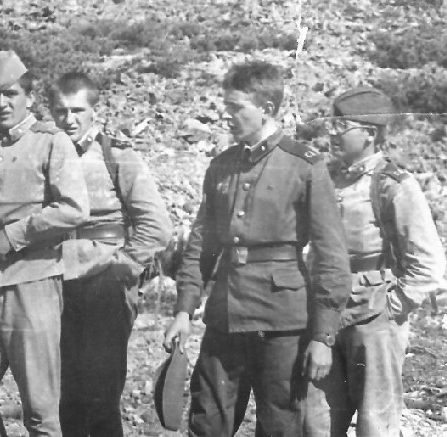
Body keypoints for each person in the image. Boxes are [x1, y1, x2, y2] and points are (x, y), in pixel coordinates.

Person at [162, 60, 352, 436]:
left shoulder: (304, 166)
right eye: (225, 106)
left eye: (235, 107)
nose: (226, 115)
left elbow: (331, 256)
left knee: (280, 423)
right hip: (225, 317)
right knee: (207, 420)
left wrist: (323, 336)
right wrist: (183, 310)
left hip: (282, 322)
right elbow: (201, 246)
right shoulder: (221, 166)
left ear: (266, 108)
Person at [0, 51, 90, 437]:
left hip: (34, 285)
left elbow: (74, 209)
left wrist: (14, 235)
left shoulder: (50, 143)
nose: (1, 103)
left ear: (29, 96)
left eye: (10, 94)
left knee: (40, 410)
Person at [303, 87, 446, 437]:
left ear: (369, 133)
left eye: (342, 125)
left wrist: (391, 308)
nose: (332, 133)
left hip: (374, 323)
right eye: (332, 124)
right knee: (314, 424)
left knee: (375, 425)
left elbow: (428, 264)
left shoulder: (394, 186)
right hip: (324, 318)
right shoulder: (325, 179)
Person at [47, 71, 172, 436]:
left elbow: (156, 225)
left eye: (77, 110)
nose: (69, 120)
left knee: (101, 395)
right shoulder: (45, 154)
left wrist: (124, 266)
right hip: (57, 281)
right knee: (64, 394)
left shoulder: (116, 155)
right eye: (61, 111)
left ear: (94, 111)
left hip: (105, 283)